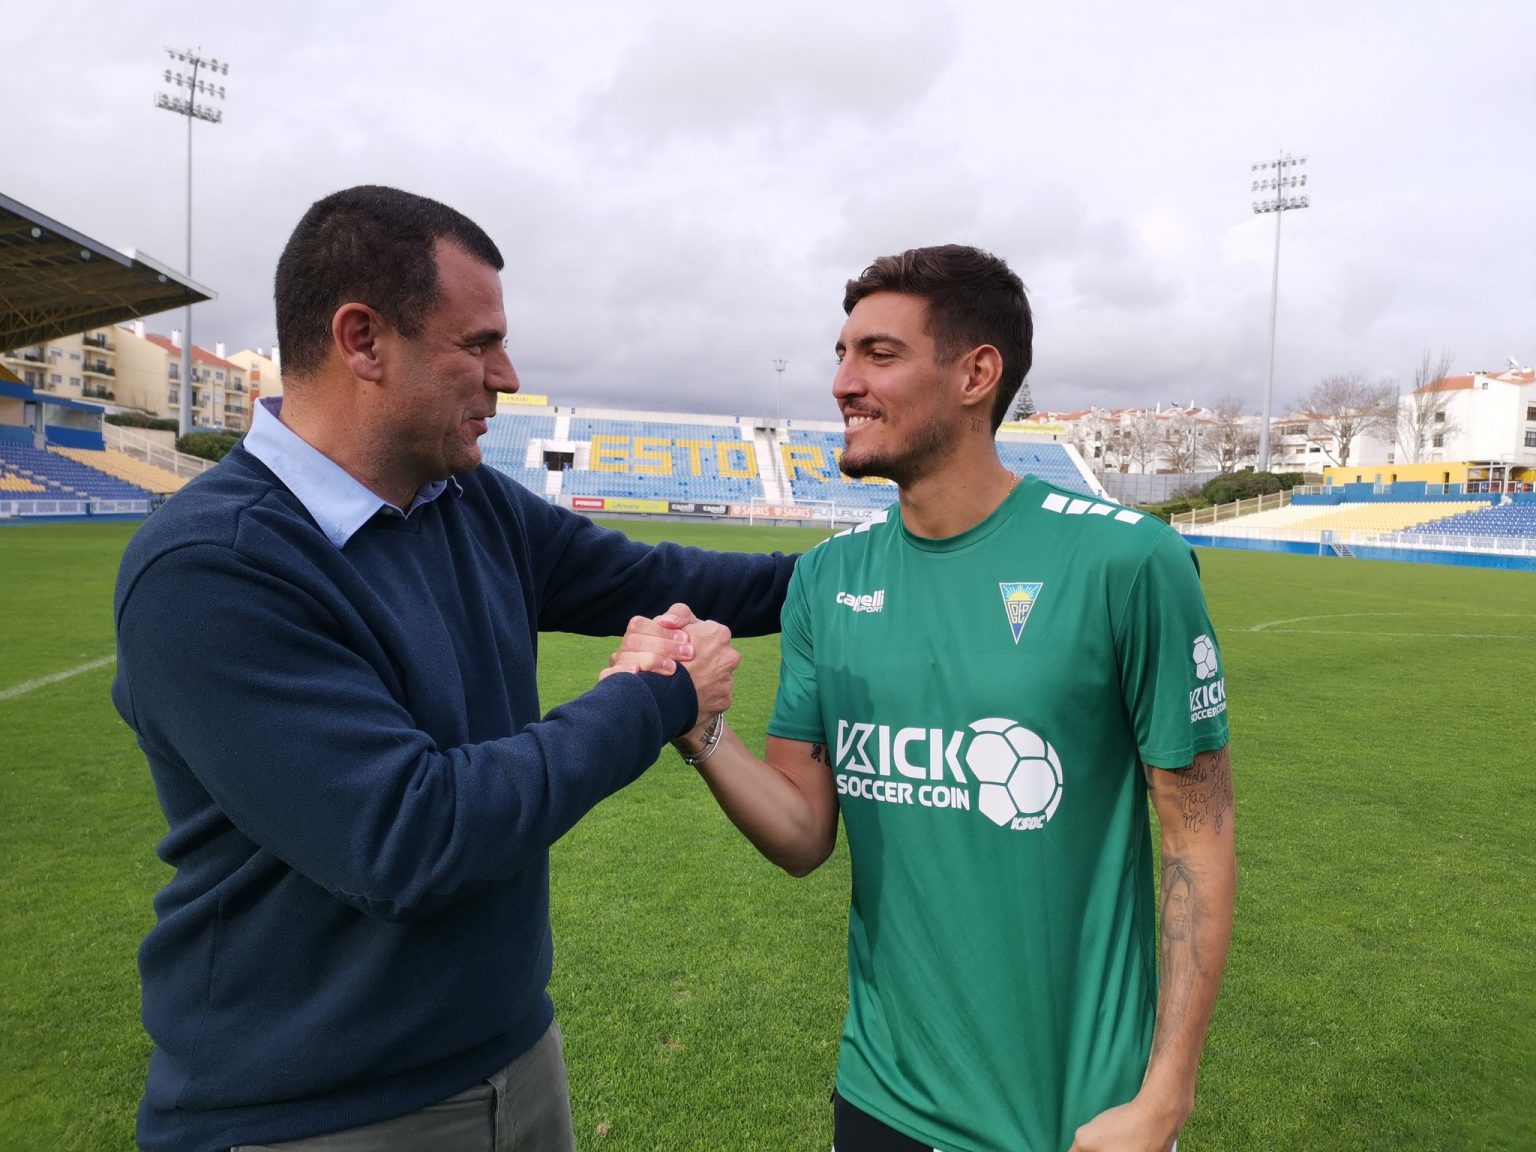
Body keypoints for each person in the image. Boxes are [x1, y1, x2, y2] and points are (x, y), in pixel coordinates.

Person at [110, 184, 795, 1152]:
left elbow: (656, 575)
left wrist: (869, 574)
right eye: (477, 344)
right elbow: (408, 833)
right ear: (362, 341)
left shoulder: (467, 504)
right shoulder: (212, 566)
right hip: (311, 1119)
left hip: (515, 1060)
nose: (507, 376)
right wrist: (657, 697)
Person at [615, 245, 1236, 1152]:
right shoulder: (828, 580)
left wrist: (1165, 1098)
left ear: (977, 373)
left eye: (879, 353)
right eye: (840, 353)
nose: (841, 382)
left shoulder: (1128, 562)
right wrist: (699, 726)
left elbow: (1199, 836)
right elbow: (801, 833)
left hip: (1079, 1118)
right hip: (881, 1101)